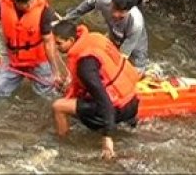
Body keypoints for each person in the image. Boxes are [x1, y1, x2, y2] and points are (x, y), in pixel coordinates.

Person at [52, 20, 140, 160]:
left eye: (59, 43)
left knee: (58, 107)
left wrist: (108, 136)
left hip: (117, 108)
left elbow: (105, 102)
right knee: (68, 98)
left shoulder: (85, 67)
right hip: (133, 101)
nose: (56, 48)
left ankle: (61, 145)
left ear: (71, 40)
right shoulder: (94, 38)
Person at [64, 0, 148, 74]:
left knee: (136, 71)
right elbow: (88, 4)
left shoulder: (136, 23)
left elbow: (122, 57)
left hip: (135, 45)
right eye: (114, 8)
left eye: (121, 13)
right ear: (111, 1)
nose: (115, 14)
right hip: (114, 35)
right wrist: (67, 18)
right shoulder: (103, 0)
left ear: (129, 10)